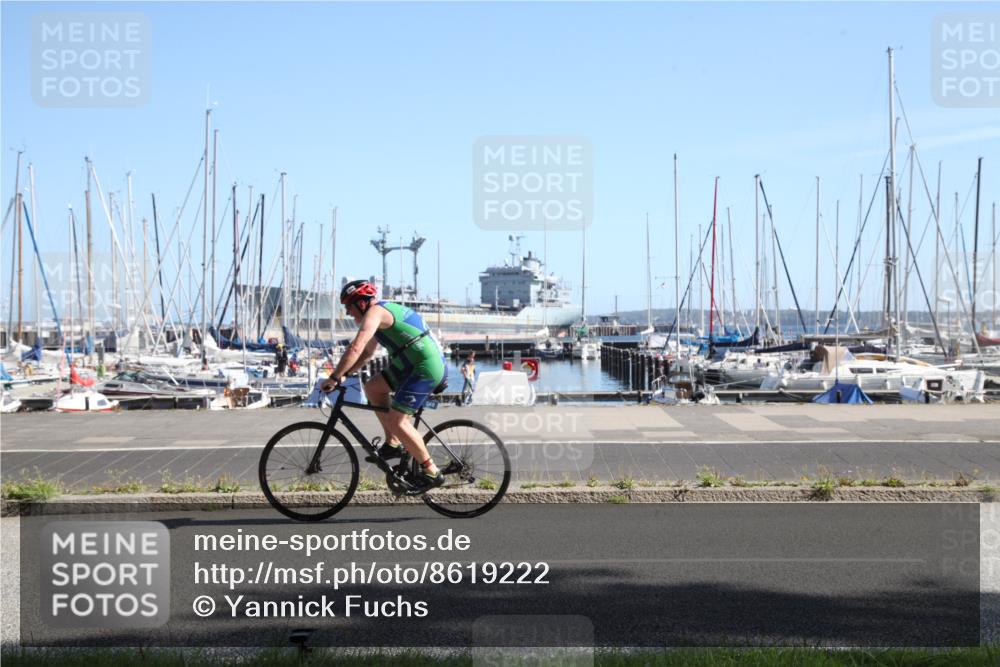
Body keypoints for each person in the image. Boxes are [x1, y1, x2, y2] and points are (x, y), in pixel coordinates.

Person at [321, 279, 446, 493]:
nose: (348, 313)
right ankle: (393, 443)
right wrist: (345, 375)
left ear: (361, 303)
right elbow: (368, 353)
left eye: (348, 307)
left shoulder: (376, 313)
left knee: (397, 420)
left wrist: (334, 376)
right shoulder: (377, 315)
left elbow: (356, 347)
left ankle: (432, 471)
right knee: (373, 388)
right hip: (409, 363)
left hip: (425, 366)